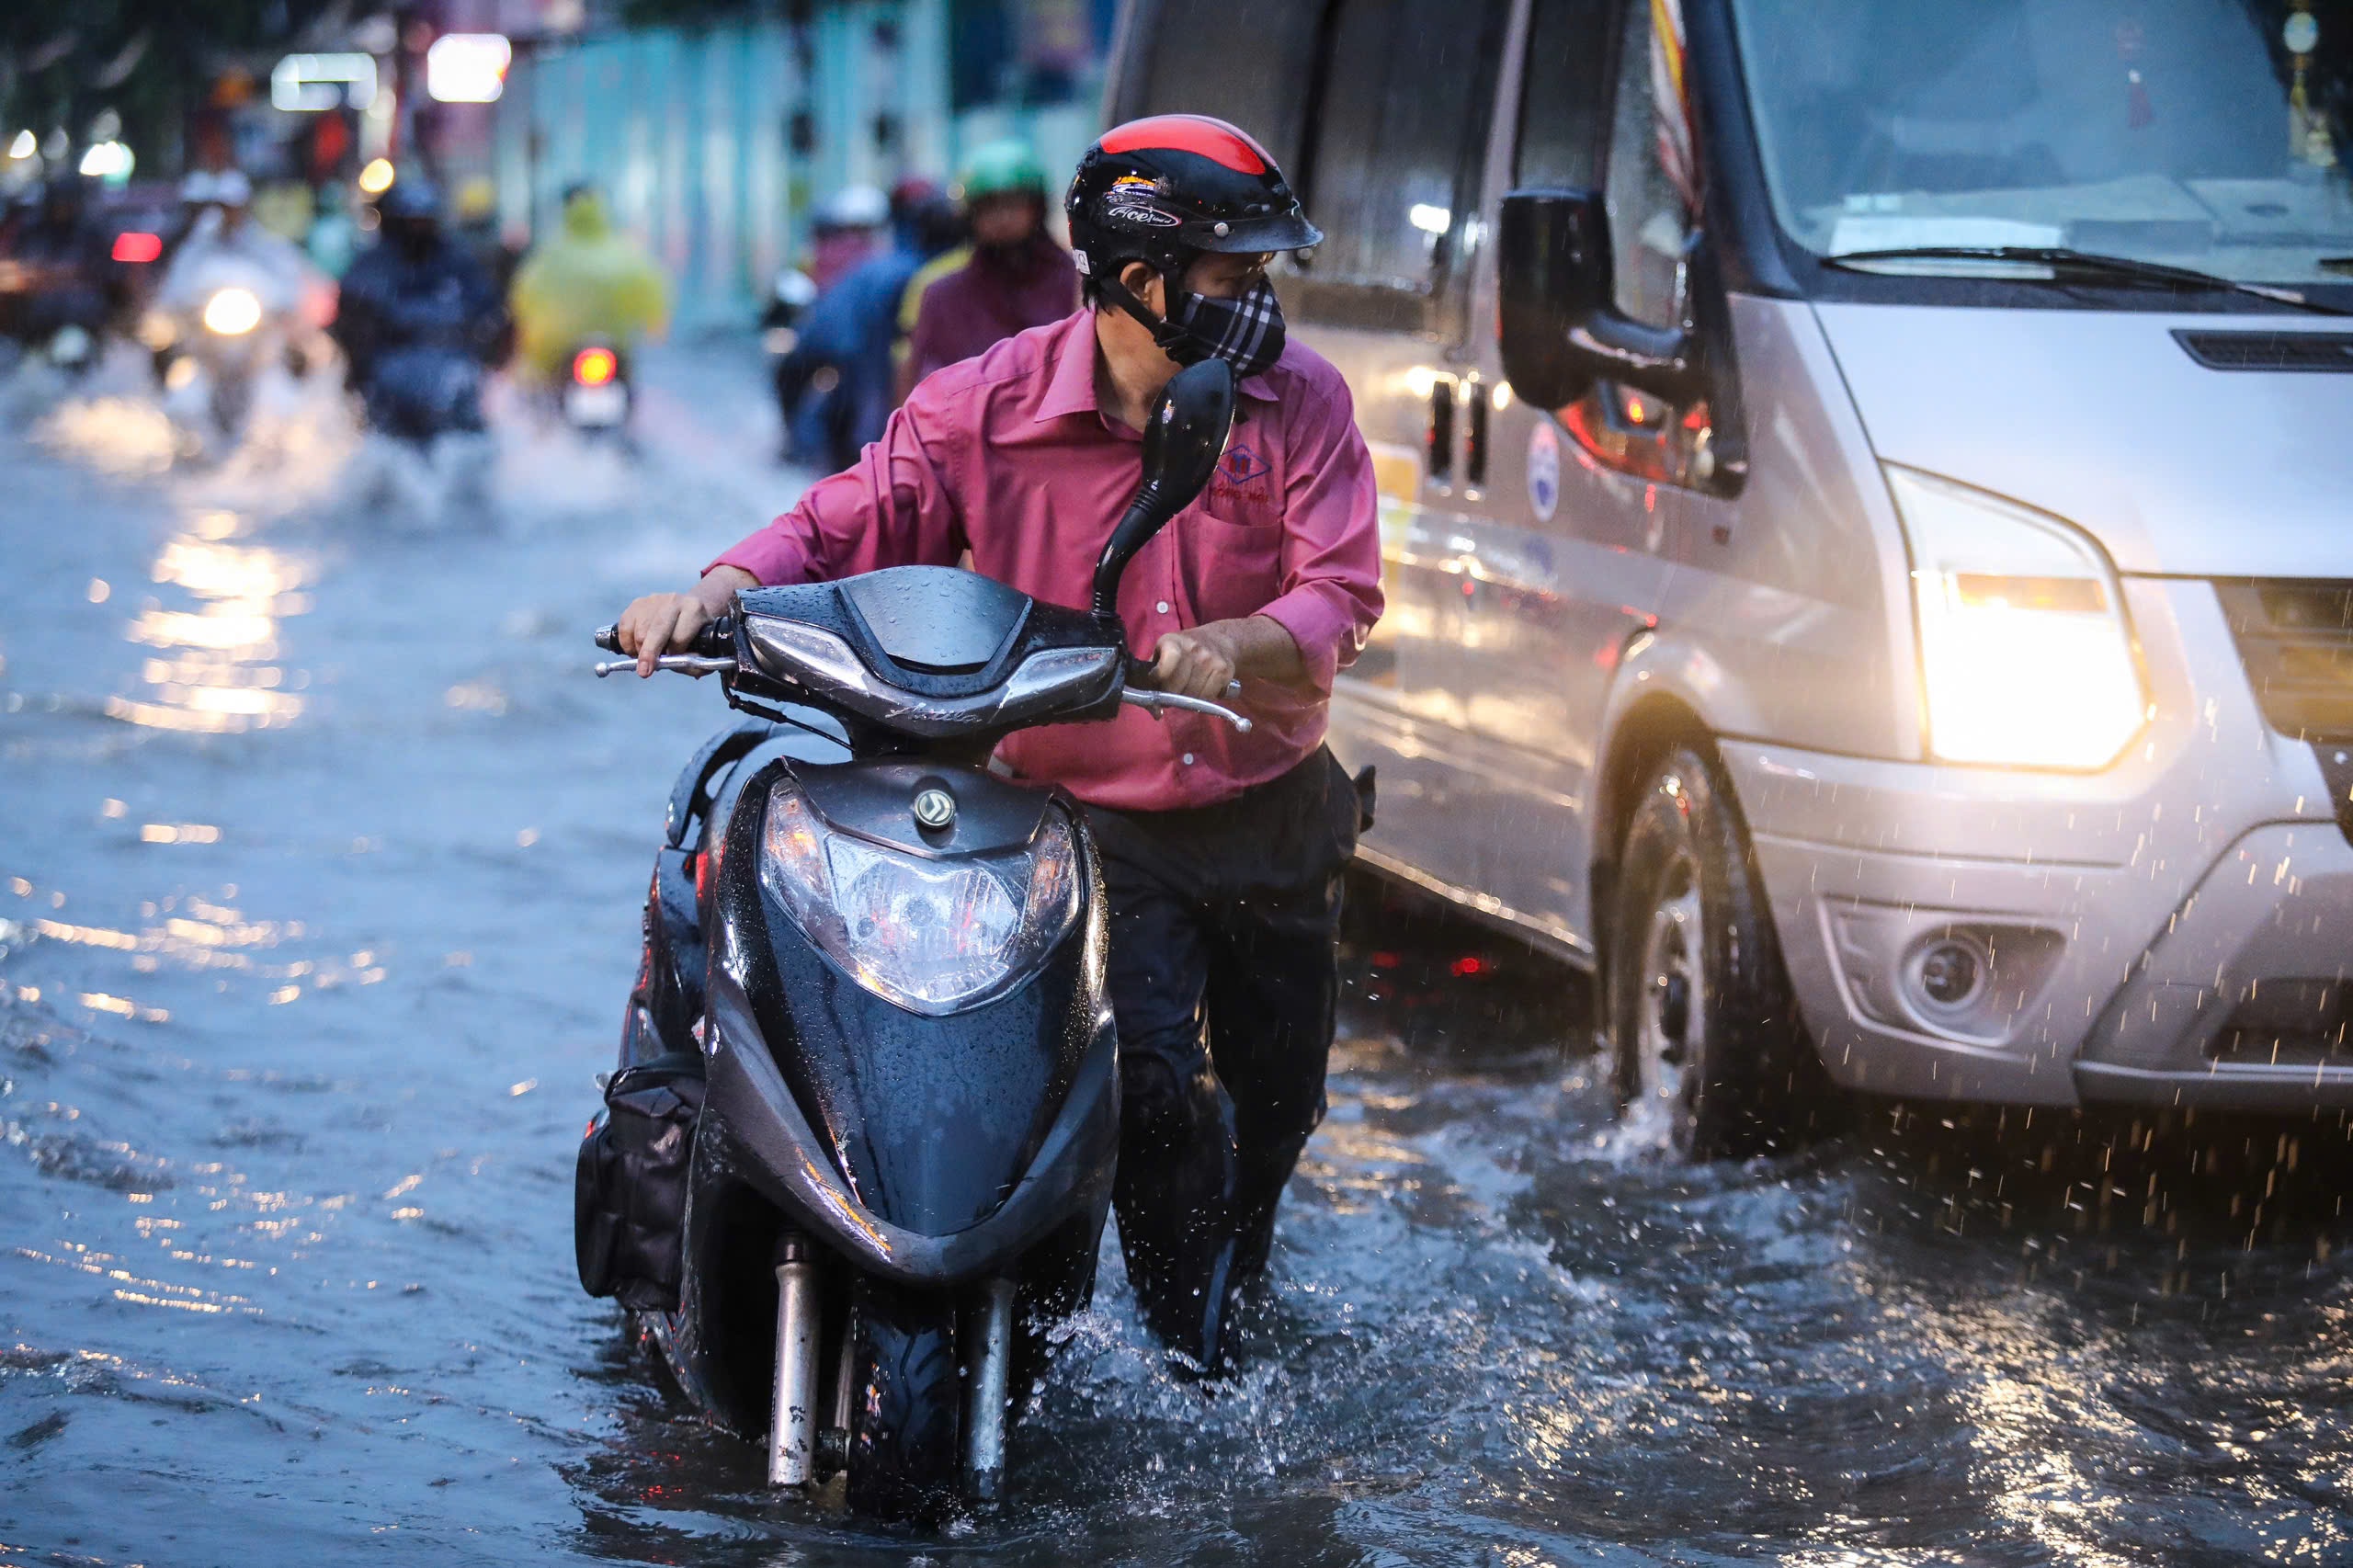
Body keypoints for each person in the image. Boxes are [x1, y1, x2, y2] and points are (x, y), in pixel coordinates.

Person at [615, 115, 1381, 1373]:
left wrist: (1234, 646)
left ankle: (1228, 1283)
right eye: (1235, 275)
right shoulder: (985, 404)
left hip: (1273, 799)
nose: (1260, 302)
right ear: (1140, 281)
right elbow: (845, 517)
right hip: (1093, 819)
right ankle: (1185, 1371)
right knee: (1151, 1094)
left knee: (1280, 1103)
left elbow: (1341, 594)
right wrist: (713, 592)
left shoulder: (1299, 400)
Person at [777, 182, 963, 470]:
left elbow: (804, 355)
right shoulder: (923, 278)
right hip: (884, 428)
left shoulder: (880, 271)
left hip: (858, 422)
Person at [899, 139, 1077, 396]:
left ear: (1036, 208)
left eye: (1013, 204)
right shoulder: (943, 295)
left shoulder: (1077, 280)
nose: (1002, 217)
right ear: (971, 215)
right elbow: (920, 388)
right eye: (990, 207)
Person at [332, 178, 505, 437]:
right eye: (411, 221)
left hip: (452, 365)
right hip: (392, 368)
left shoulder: (456, 261)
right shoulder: (374, 265)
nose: (418, 228)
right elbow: (352, 313)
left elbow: (487, 306)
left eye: (424, 220)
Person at [507, 182, 669, 388]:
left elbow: (523, 299)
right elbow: (651, 292)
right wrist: (655, 325)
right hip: (614, 347)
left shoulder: (548, 258)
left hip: (557, 353)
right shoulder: (625, 256)